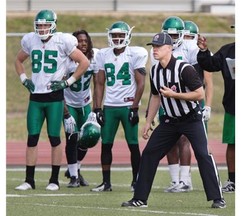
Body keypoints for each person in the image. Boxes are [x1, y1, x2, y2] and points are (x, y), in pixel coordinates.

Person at [121, 32, 226, 208]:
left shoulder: (184, 68)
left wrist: (174, 94)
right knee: (149, 154)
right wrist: (148, 121)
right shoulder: (155, 70)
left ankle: (218, 198)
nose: (154, 50)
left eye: (158, 47)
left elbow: (199, 94)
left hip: (192, 119)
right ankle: (140, 198)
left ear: (169, 48)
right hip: (170, 121)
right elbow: (156, 97)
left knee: (203, 154)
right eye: (153, 46)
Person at [14, 9, 89, 191]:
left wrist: (68, 82)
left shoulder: (63, 40)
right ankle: (29, 180)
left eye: (46, 25)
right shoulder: (30, 39)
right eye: (39, 25)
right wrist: (24, 79)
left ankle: (54, 180)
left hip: (55, 97)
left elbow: (84, 62)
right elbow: (18, 60)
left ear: (53, 25)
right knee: (32, 138)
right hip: (36, 97)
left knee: (54, 138)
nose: (42, 28)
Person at [90, 21, 148, 192]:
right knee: (106, 144)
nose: (117, 38)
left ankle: (136, 181)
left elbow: (141, 83)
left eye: (120, 35)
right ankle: (106, 182)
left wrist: (135, 107)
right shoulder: (103, 54)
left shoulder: (135, 53)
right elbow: (99, 83)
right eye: (114, 35)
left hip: (127, 106)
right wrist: (97, 108)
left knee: (133, 144)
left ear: (127, 36)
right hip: (109, 106)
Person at [197, 26, 235, 193]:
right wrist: (204, 51)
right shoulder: (228, 50)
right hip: (234, 106)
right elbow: (210, 65)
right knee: (233, 144)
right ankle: (233, 180)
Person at [63, 29, 99, 187]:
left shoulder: (95, 56)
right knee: (71, 138)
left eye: (85, 41)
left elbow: (98, 83)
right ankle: (73, 177)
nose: (82, 44)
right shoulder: (66, 59)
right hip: (69, 103)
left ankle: (74, 169)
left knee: (89, 137)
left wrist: (97, 108)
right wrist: (64, 111)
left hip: (85, 103)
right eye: (79, 41)